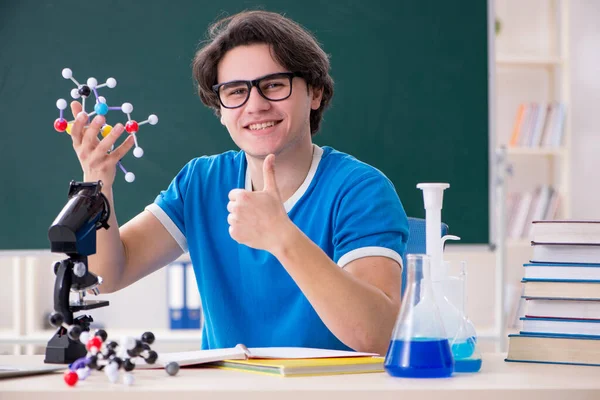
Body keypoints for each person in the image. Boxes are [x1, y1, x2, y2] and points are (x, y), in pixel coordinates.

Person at [67, 10, 409, 356]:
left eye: (274, 85)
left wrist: (282, 236)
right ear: (220, 108)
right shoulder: (201, 183)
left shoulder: (361, 190)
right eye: (235, 91)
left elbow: (378, 334)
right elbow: (107, 277)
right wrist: (98, 187)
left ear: (315, 93)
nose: (255, 105)